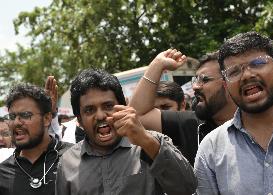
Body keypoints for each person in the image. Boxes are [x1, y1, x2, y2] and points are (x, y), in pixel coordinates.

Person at [55, 68, 197, 195]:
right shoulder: (67, 163)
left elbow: (187, 188)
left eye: (108, 106)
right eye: (89, 110)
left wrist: (146, 141)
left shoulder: (151, 142)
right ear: (79, 119)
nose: (100, 116)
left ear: (123, 107)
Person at [194, 31, 273, 194]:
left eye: (258, 63)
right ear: (226, 85)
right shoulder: (212, 148)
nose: (247, 75)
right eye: (234, 72)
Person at [129, 49, 236, 165]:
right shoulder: (191, 124)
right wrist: (158, 64)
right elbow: (136, 116)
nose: (195, 86)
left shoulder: (255, 122)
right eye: (195, 80)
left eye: (204, 80)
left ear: (229, 82)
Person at [0, 84, 72, 195]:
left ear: (47, 118)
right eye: (12, 117)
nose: (16, 123)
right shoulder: (3, 173)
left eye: (25, 115)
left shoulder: (74, 158)